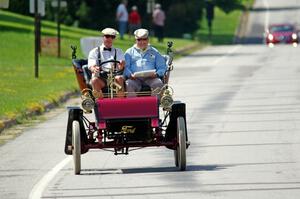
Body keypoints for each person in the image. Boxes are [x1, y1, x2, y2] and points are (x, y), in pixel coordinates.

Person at [124, 28, 167, 96]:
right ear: (135, 40)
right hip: (134, 79)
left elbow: (162, 67)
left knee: (158, 83)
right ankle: (132, 105)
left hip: (151, 78)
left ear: (148, 40)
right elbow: (126, 67)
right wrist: (130, 75)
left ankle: (154, 105)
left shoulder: (154, 51)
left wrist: (157, 74)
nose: (142, 42)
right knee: (128, 84)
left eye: (144, 39)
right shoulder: (129, 52)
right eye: (139, 40)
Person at [88, 28, 125, 98]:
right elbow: (91, 65)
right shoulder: (94, 51)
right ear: (103, 37)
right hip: (101, 77)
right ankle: (101, 103)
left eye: (112, 37)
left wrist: (121, 65)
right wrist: (94, 68)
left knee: (119, 78)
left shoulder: (118, 51)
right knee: (94, 80)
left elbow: (121, 66)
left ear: (114, 39)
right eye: (107, 36)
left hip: (114, 77)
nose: (110, 39)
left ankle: (121, 103)